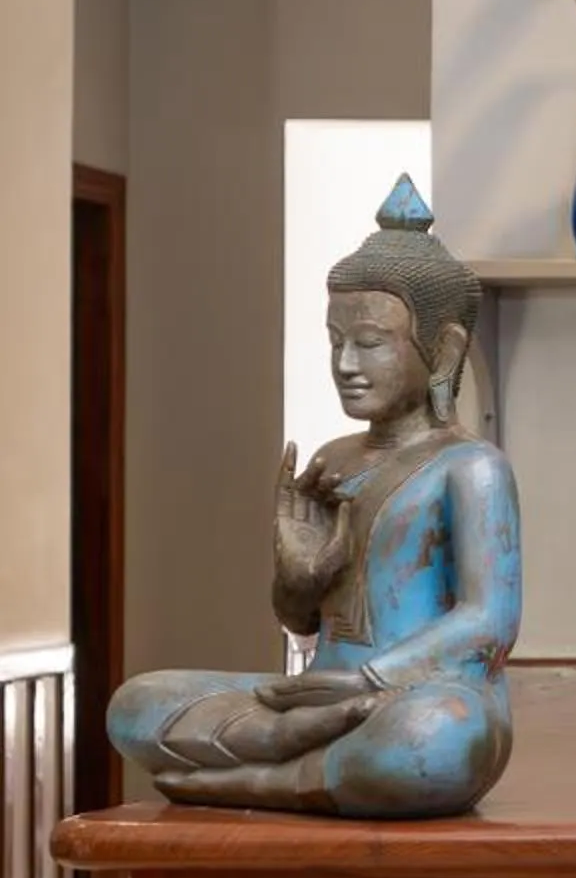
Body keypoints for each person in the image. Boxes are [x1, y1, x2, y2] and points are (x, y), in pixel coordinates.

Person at [108, 176, 522, 817]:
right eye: (336, 342)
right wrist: (299, 578)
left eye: (370, 343)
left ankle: (262, 781)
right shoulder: (335, 460)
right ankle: (292, 748)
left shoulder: (472, 468)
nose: (346, 364)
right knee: (135, 703)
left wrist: (371, 680)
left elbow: (489, 621)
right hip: (315, 698)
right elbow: (302, 621)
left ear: (443, 352)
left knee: (433, 741)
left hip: (412, 697)